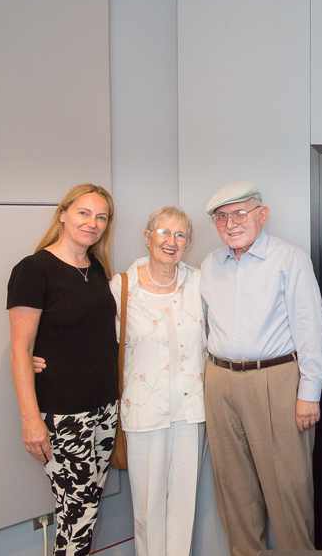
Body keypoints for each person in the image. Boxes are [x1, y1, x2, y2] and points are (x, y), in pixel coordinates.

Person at [200, 181, 322, 556]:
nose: (231, 223)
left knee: (288, 490)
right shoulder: (210, 265)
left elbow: (310, 327)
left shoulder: (289, 258)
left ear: (262, 214)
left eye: (240, 213)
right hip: (220, 381)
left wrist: (309, 393)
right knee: (233, 490)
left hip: (276, 380)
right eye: (221, 217)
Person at [7, 184, 118, 556]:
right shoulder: (33, 269)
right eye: (84, 213)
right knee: (76, 512)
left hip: (104, 409)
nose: (93, 222)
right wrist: (30, 421)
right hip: (62, 414)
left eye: (101, 216)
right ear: (63, 214)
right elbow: (20, 350)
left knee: (86, 508)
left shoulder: (97, 268)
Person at [108, 206, 206, 556]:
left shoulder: (198, 282)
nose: (171, 241)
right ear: (147, 236)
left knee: (184, 507)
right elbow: (89, 339)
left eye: (180, 235)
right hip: (144, 414)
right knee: (147, 511)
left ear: (189, 243)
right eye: (164, 232)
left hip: (191, 409)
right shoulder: (121, 288)